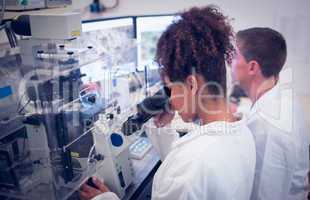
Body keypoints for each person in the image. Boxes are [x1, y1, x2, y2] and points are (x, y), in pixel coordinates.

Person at [79, 6, 256, 200]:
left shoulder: (189, 167)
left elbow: (183, 172)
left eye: (171, 88)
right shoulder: (244, 132)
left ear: (191, 84)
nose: (170, 99)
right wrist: (161, 128)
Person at [231, 27, 310, 200]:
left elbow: (264, 194)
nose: (231, 62)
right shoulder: (284, 99)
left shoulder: (267, 126)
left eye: (235, 57)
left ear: (252, 67)